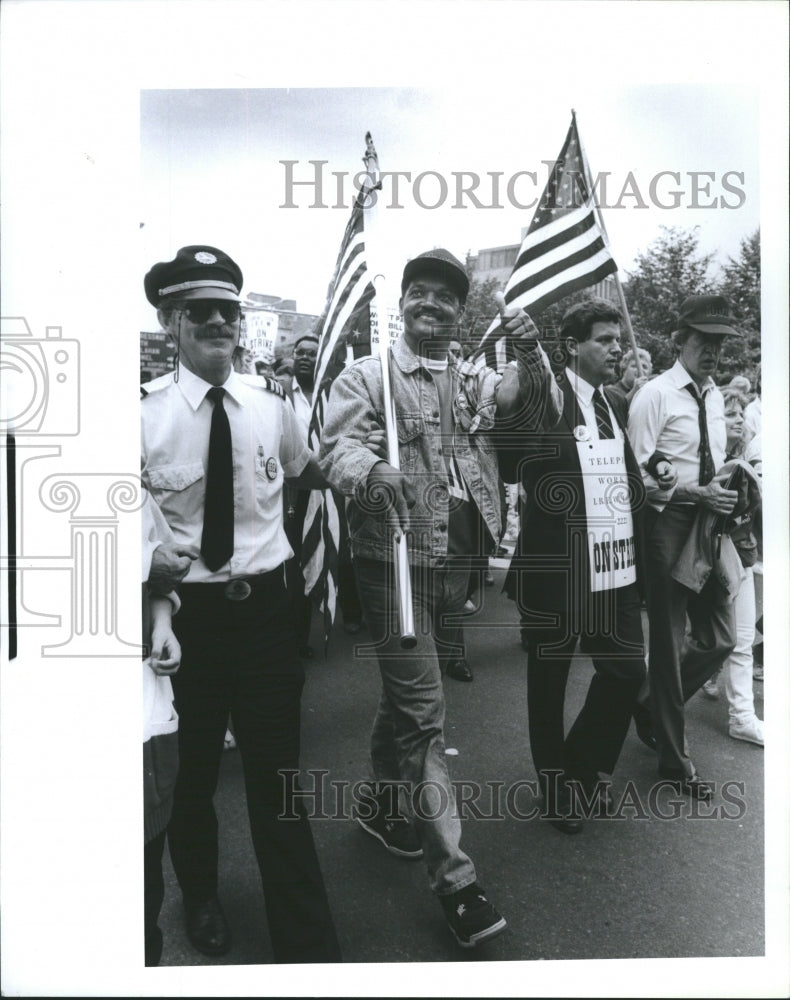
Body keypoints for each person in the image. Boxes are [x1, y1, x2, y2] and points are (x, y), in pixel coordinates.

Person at [318, 248, 561, 948]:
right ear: (403, 302)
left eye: (446, 298)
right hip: (390, 563)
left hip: (455, 560)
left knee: (404, 698)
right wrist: (372, 468)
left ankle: (378, 803)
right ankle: (457, 881)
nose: (432, 305)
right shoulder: (368, 376)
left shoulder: (472, 379)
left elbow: (525, 409)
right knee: (426, 712)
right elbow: (335, 450)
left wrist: (530, 350)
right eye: (420, 293)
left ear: (460, 312)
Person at [141, 245, 341, 963]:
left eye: (230, 309)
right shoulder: (141, 421)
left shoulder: (272, 408)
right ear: (171, 321)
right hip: (191, 620)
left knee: (278, 775)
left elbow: (307, 472)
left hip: (265, 615)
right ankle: (199, 895)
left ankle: (306, 938)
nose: (220, 321)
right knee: (193, 779)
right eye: (202, 310)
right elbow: (121, 527)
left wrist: (366, 467)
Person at [503, 299, 660, 833]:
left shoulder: (611, 404)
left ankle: (582, 766)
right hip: (559, 568)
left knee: (626, 671)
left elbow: (624, 473)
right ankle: (556, 790)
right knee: (549, 682)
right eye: (605, 340)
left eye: (619, 339)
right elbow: (516, 461)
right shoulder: (548, 398)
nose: (617, 348)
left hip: (614, 567)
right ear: (572, 347)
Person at [627, 295, 743, 801]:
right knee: (669, 645)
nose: (713, 351)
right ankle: (674, 761)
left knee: (720, 637)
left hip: (710, 522)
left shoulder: (715, 396)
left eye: (720, 343)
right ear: (680, 340)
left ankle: (650, 702)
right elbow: (633, 476)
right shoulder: (654, 395)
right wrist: (694, 490)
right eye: (704, 340)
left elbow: (711, 456)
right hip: (668, 523)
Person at [700, 387, 764, 746]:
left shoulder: (746, 455)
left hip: (740, 555)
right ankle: (650, 693)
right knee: (693, 640)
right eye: (730, 414)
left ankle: (742, 716)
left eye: (741, 414)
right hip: (708, 558)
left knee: (740, 640)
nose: (740, 419)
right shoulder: (708, 461)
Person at [277, 333, 321, 657]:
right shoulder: (277, 394)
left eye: (312, 353)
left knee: (314, 556)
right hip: (283, 494)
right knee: (287, 563)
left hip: (319, 490)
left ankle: (302, 636)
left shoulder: (327, 395)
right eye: (300, 352)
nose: (305, 357)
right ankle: (283, 634)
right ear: (293, 356)